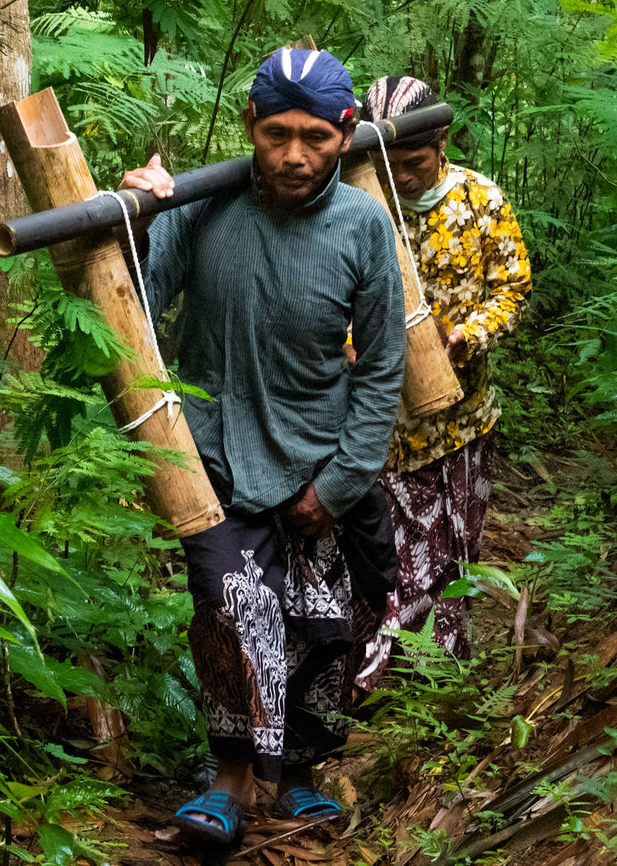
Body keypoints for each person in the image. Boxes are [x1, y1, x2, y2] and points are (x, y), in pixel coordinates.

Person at [118, 48, 406, 845]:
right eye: (276, 133)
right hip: (216, 455)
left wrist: (343, 481)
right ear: (250, 124)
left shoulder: (362, 224)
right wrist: (139, 216)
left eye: (315, 137)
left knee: (325, 623)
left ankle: (304, 775)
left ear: (345, 135)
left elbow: (382, 366)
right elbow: (137, 302)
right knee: (228, 611)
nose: (292, 155)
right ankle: (230, 780)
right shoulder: (205, 206)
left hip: (322, 457)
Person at [355, 75, 532, 688]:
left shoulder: (479, 202)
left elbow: (512, 288)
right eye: (385, 165)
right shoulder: (358, 205)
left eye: (413, 163)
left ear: (443, 144)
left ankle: (439, 672)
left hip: (461, 419)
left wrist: (470, 333)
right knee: (392, 552)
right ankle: (380, 675)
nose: (398, 177)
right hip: (379, 425)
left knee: (455, 549)